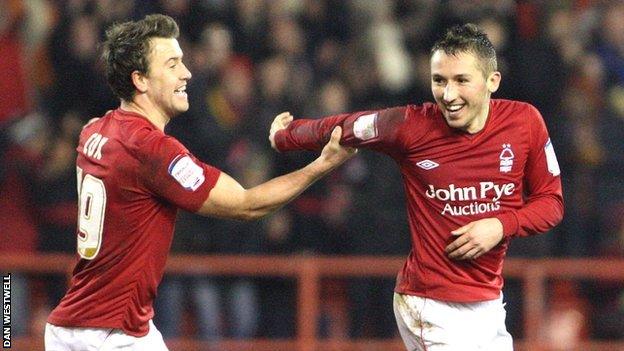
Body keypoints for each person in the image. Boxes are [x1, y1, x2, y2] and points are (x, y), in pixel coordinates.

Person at [44, 14, 355, 351]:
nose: (186, 73)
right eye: (173, 64)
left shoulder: (96, 130)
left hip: (71, 325)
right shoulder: (151, 149)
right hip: (112, 335)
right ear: (141, 80)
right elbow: (247, 205)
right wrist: (322, 164)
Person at [269, 23, 564, 350]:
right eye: (439, 80)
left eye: (461, 80)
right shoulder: (410, 125)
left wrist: (501, 225)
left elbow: (551, 202)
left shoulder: (524, 123)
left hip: (488, 303)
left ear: (492, 81)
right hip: (430, 304)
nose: (448, 95)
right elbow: (345, 127)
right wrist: (287, 136)